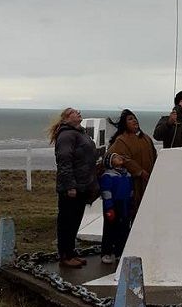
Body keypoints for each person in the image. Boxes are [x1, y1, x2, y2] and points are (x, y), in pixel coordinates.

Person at [48, 107, 99, 268]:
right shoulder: (66, 135)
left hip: (83, 185)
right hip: (72, 187)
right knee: (67, 221)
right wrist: (70, 186)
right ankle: (65, 255)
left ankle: (70, 252)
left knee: (75, 220)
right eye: (74, 112)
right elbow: (64, 161)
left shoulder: (80, 133)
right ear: (66, 118)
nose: (79, 113)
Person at [107, 109, 156, 217]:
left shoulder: (146, 138)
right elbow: (122, 158)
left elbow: (154, 155)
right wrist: (139, 171)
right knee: (132, 210)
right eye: (130, 119)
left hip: (148, 180)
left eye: (135, 118)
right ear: (125, 124)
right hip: (132, 183)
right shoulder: (121, 140)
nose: (134, 121)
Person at [99, 153, 133, 265]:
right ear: (110, 162)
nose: (119, 157)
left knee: (123, 229)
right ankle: (106, 252)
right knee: (110, 229)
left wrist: (131, 203)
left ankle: (119, 252)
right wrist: (109, 207)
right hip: (113, 205)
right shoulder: (108, 176)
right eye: (115, 157)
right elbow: (106, 192)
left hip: (125, 204)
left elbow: (131, 190)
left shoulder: (127, 174)